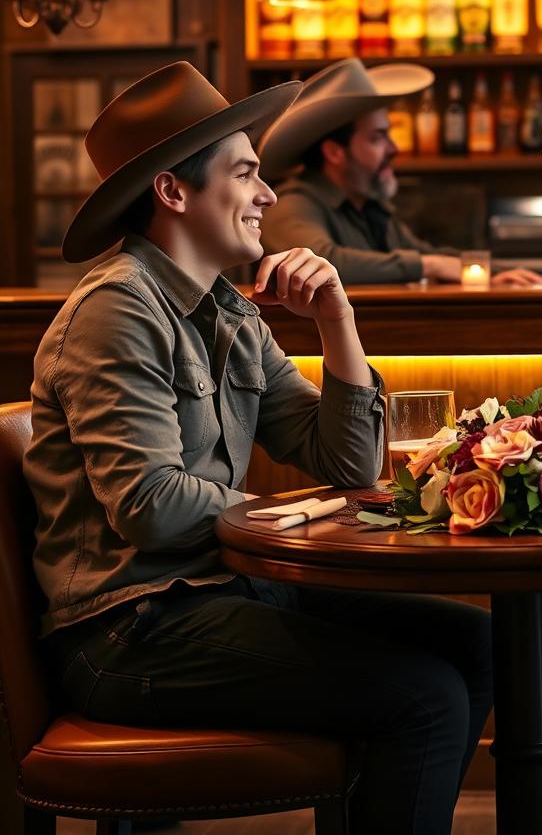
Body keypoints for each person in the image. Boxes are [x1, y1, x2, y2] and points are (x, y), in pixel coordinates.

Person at [25, 61, 492, 834]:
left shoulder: (230, 313)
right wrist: (280, 515)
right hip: (129, 629)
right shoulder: (119, 308)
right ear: (174, 192)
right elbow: (149, 507)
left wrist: (336, 321)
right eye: (245, 173)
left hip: (219, 596)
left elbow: (346, 465)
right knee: (426, 697)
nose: (269, 195)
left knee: (474, 643)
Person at [258, 58, 542, 286]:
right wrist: (428, 266)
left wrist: (499, 272)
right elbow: (322, 261)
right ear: (334, 152)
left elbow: (425, 253)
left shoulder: (369, 207)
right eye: (377, 138)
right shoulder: (292, 203)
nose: (393, 148)